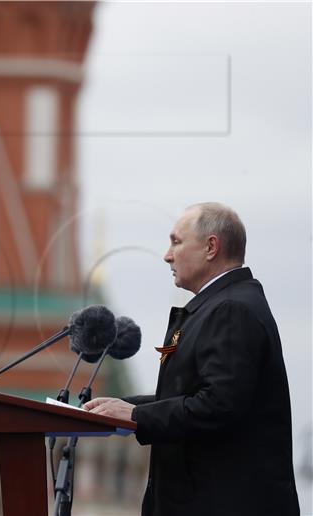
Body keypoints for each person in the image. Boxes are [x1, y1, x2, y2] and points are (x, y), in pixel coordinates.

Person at [84, 202, 299, 516]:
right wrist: (118, 407)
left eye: (176, 241)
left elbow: (219, 405)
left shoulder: (232, 309)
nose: (167, 255)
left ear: (211, 247)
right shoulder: (217, 306)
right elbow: (187, 397)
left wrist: (136, 416)